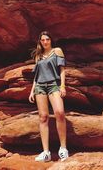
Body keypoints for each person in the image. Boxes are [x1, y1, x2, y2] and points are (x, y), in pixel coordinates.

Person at [29, 31, 68, 162]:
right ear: (40, 42)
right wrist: (32, 91)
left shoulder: (57, 51)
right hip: (40, 86)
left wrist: (62, 86)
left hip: (54, 85)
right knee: (43, 117)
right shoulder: (38, 55)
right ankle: (46, 152)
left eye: (47, 39)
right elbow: (36, 76)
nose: (45, 42)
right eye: (43, 40)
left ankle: (63, 149)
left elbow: (62, 69)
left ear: (51, 40)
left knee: (60, 113)